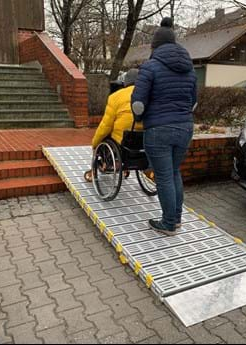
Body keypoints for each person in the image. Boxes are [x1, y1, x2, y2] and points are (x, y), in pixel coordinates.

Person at [131, 17, 197, 236]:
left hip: (159, 129)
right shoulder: (190, 69)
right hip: (185, 128)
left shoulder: (150, 66)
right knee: (174, 172)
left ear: (155, 45)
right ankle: (176, 219)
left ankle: (168, 223)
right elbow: (194, 102)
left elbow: (139, 104)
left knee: (164, 177)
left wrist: (138, 118)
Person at [84, 69, 142, 182]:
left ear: (126, 82)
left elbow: (106, 125)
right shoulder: (150, 95)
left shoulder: (116, 97)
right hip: (144, 140)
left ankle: (104, 164)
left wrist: (95, 142)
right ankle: (120, 165)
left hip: (123, 141)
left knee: (104, 138)